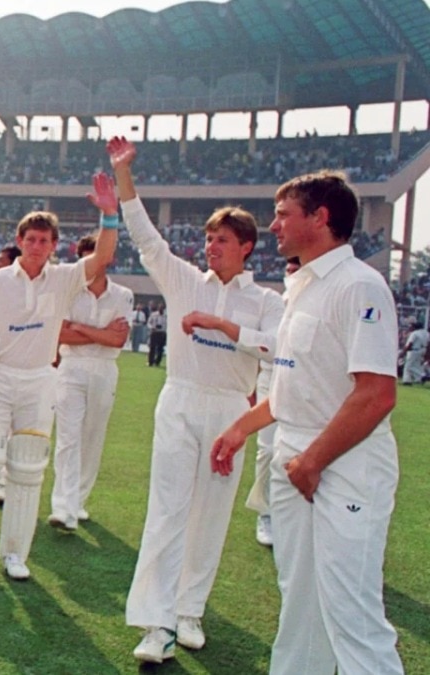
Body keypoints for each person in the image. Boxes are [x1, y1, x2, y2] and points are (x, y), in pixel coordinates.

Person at [213, 171, 404, 674]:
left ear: (320, 218)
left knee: (351, 612)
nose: (274, 225)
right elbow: (291, 385)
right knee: (299, 604)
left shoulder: (360, 285)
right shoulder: (301, 284)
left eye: (284, 214)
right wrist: (241, 429)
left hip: (343, 465)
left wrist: (312, 462)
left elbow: (376, 394)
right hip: (295, 458)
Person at [107, 136, 284, 663]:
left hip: (231, 409)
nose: (211, 248)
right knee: (166, 511)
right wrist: (123, 175)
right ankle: (155, 623)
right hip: (180, 400)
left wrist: (223, 325)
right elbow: (146, 237)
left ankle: (189, 611)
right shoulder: (185, 280)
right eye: (208, 240)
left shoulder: (267, 301)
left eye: (222, 241)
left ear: (246, 246)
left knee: (211, 514)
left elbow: (277, 348)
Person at [0, 195, 119, 580]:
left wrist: (110, 215)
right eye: (31, 239)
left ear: (53, 246)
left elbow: (102, 258)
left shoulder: (63, 280)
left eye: (45, 241)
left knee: (27, 469)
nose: (37, 246)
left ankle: (14, 554)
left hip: (39, 380)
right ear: (20, 240)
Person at [50, 234, 134, 530]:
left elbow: (118, 340)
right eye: (87, 258)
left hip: (104, 369)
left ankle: (78, 501)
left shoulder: (123, 295)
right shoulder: (68, 292)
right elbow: (59, 333)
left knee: (92, 437)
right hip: (71, 366)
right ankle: (63, 507)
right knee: (68, 437)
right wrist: (100, 333)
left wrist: (80, 327)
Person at [245, 257, 299, 548]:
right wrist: (251, 389)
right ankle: (266, 513)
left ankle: (290, 516)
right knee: (266, 451)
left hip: (303, 388)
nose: (292, 274)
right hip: (270, 382)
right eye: (289, 270)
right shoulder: (276, 303)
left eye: (297, 269)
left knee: (295, 453)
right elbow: (261, 347)